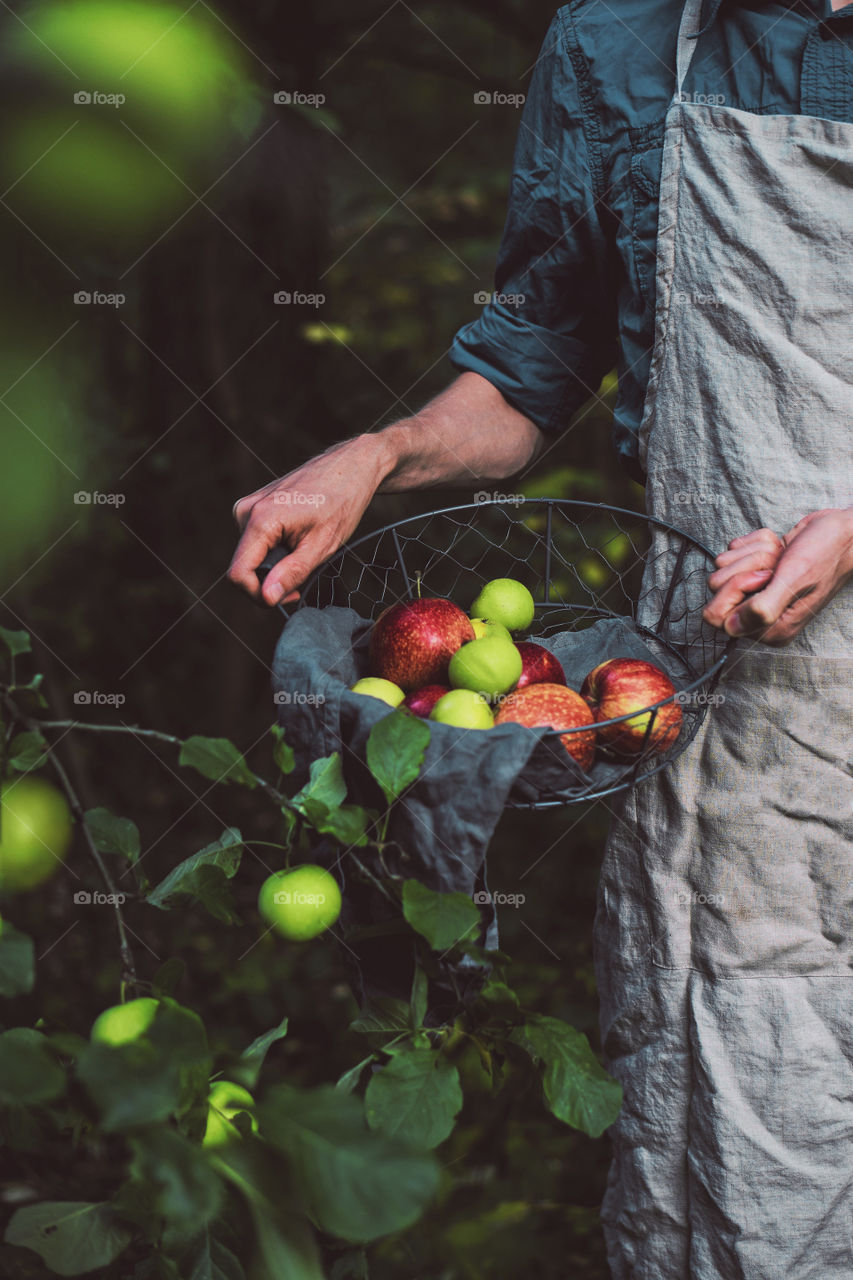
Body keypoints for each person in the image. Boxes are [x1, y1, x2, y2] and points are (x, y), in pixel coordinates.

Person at [230, 1, 853, 1274]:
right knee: (730, 1084)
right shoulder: (618, 42)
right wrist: (385, 449)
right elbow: (532, 364)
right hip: (721, 724)